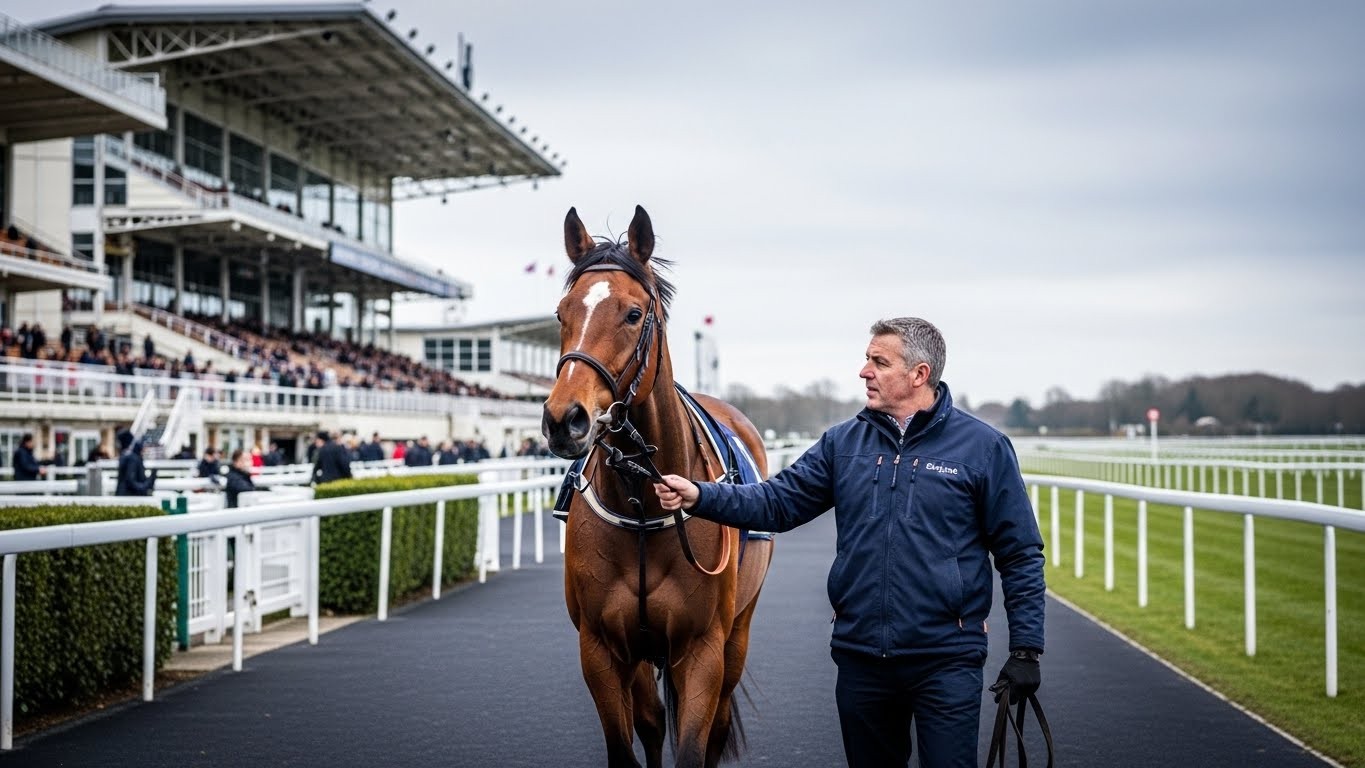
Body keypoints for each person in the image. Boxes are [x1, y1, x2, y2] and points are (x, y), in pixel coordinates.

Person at [653, 317, 1046, 768]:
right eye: (866, 359)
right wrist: (700, 495)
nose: (865, 371)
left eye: (879, 362)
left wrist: (1026, 651)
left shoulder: (983, 448)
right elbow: (777, 504)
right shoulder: (843, 443)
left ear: (919, 374)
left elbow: (1020, 554)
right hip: (862, 660)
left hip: (947, 661)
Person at [114, 429, 156, 496]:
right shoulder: (132, 458)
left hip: (124, 495)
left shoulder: (125, 456)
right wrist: (144, 487)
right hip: (130, 497)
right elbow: (131, 481)